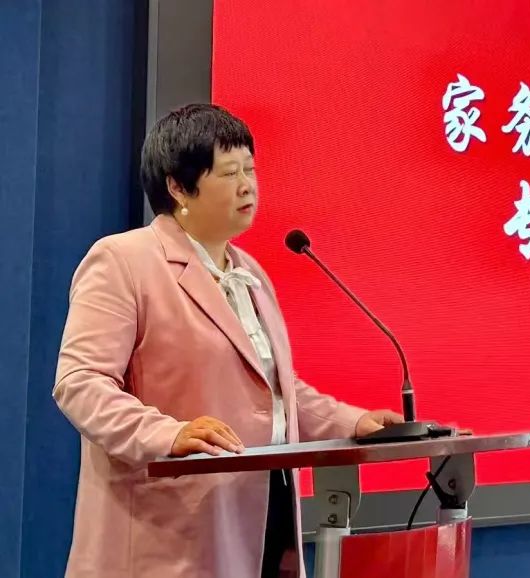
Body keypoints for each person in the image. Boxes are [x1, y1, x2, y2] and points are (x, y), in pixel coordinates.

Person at [52, 103, 404, 578]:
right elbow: (80, 383)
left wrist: (354, 421)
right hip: (170, 537)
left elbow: (273, 392)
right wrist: (167, 434)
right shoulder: (123, 261)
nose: (247, 186)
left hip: (262, 520)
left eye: (250, 170)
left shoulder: (248, 273)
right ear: (178, 187)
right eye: (229, 172)